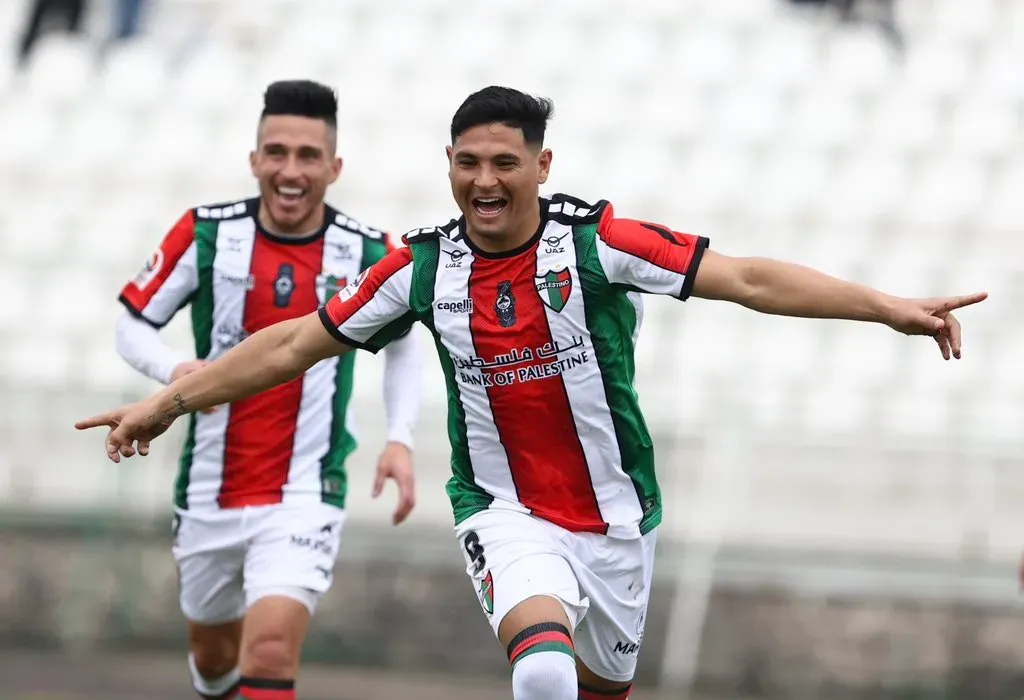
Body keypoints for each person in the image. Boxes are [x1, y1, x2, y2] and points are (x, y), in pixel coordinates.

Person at [77, 86, 986, 700]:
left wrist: (886, 309)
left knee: (596, 688)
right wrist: (170, 399)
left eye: (504, 163)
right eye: (468, 162)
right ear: (448, 164)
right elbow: (292, 346)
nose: (484, 181)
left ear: (541, 168)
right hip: (506, 511)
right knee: (541, 676)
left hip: (620, 521)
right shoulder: (422, 265)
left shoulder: (601, 245)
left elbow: (747, 280)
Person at [110, 79, 423, 700]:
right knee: (214, 660)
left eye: (308, 156)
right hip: (209, 488)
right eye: (276, 152)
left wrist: (398, 437)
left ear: (334, 168)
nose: (290, 169)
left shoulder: (366, 250)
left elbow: (407, 339)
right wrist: (173, 371)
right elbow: (131, 322)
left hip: (304, 490)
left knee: (273, 651)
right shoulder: (206, 233)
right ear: (255, 160)